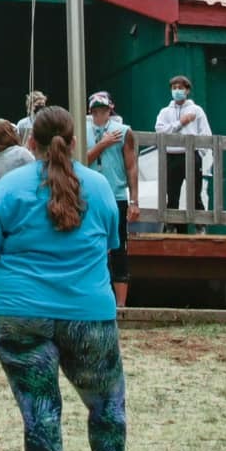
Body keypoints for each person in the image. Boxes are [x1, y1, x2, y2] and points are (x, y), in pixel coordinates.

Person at [0, 106, 155, 451]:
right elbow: (109, 246)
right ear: (73, 143)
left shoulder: (6, 188)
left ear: (30, 143)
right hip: (87, 311)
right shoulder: (100, 187)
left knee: (40, 413)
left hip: (17, 312)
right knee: (107, 406)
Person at [83, 93, 138, 309]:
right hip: (88, 194)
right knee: (88, 242)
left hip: (116, 194)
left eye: (103, 110)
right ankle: (92, 296)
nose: (99, 114)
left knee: (119, 246)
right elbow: (80, 161)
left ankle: (121, 304)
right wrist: (103, 144)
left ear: (110, 110)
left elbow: (131, 166)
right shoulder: (82, 131)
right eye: (95, 110)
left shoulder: (123, 131)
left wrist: (134, 200)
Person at [153, 76, 210, 219]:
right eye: (174, 88)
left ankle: (200, 224)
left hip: (192, 155)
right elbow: (160, 130)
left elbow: (205, 133)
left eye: (180, 88)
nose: (177, 91)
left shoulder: (196, 110)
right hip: (171, 156)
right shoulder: (165, 112)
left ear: (187, 90)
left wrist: (199, 154)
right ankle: (172, 225)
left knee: (195, 193)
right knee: (172, 194)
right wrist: (180, 123)